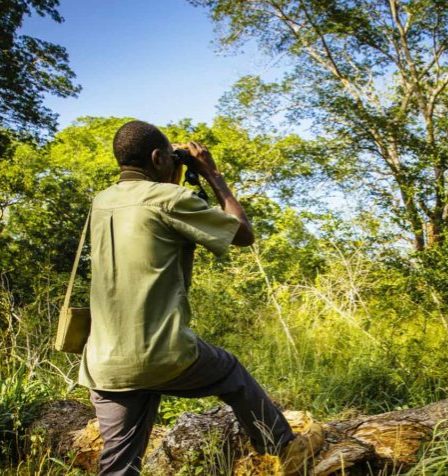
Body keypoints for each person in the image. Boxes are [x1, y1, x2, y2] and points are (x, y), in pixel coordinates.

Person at [78, 120, 321, 475]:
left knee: (118, 468)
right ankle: (284, 447)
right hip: (164, 354)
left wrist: (169, 174)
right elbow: (243, 234)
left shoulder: (102, 201)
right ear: (159, 157)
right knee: (233, 374)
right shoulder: (169, 198)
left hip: (105, 361)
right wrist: (212, 174)